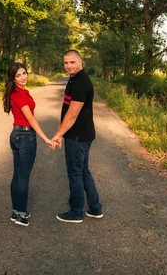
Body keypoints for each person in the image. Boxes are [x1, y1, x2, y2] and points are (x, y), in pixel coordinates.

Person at [52, 49, 103, 223]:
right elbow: (66, 109)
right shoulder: (73, 80)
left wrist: (58, 134)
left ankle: (76, 212)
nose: (69, 66)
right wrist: (60, 132)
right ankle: (95, 208)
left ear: (81, 62)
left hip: (78, 136)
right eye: (66, 62)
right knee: (83, 171)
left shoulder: (81, 82)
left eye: (72, 62)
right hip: (80, 134)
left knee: (75, 173)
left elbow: (73, 114)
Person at [3, 62, 56, 227]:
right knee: (23, 176)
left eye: (24, 73)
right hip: (25, 136)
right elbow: (31, 119)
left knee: (17, 175)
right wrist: (46, 138)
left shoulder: (16, 92)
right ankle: (21, 215)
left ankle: (15, 211)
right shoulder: (20, 95)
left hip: (16, 135)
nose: (23, 77)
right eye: (18, 75)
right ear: (13, 78)